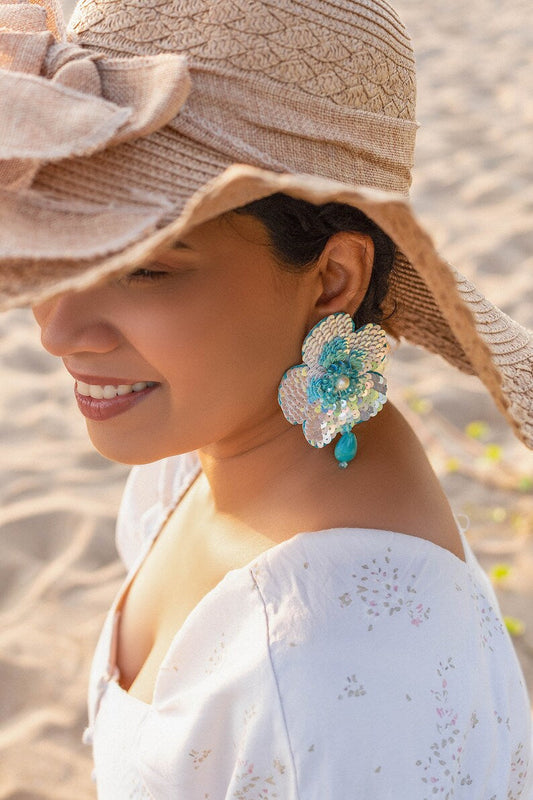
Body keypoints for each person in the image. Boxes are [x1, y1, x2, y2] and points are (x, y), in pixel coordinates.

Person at [1, 0, 532, 797]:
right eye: (72, 245)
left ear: (333, 280)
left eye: (146, 267)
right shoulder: (217, 448)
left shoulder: (336, 666)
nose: (58, 330)